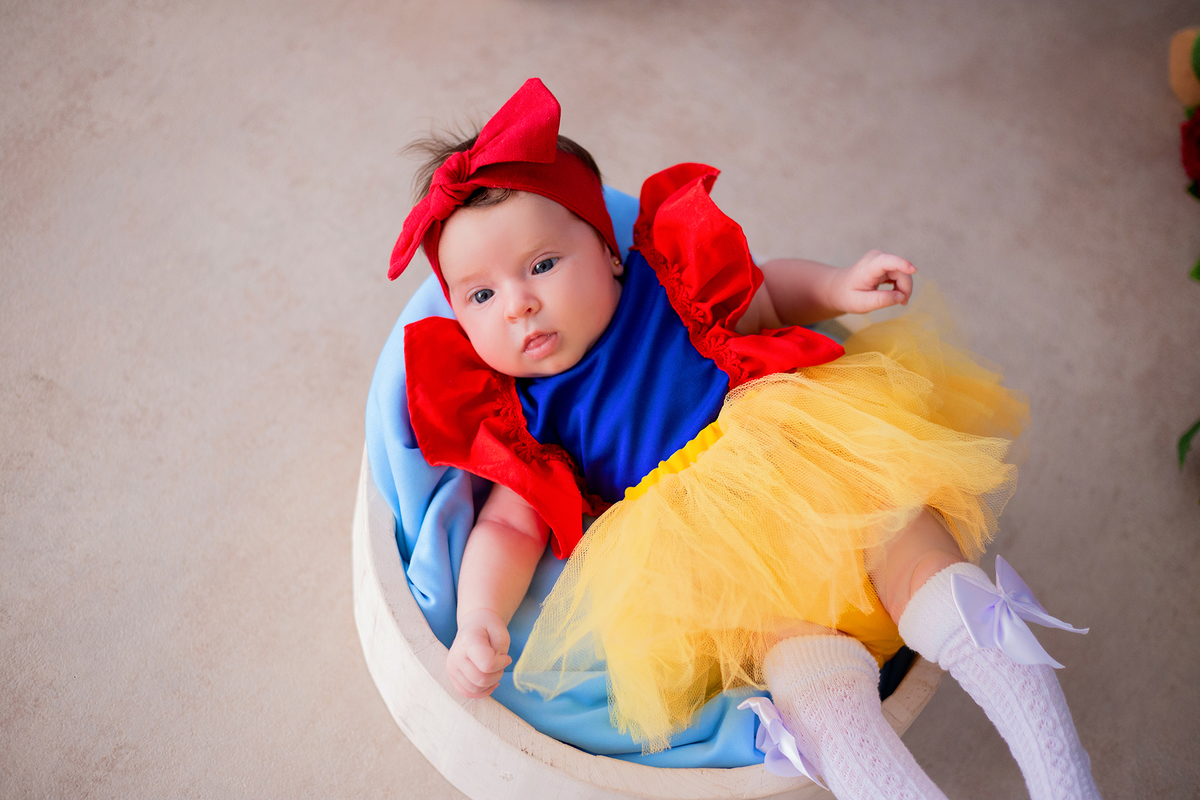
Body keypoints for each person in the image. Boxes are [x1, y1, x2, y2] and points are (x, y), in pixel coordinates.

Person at [389, 78, 1101, 800]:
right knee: (808, 675)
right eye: (480, 295)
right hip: (708, 547)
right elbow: (508, 525)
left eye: (542, 264)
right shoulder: (522, 410)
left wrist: (838, 286)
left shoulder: (664, 275)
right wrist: (481, 615)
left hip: (802, 444)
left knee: (925, 567)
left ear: (607, 249)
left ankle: (1064, 777)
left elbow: (761, 293)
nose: (519, 304)